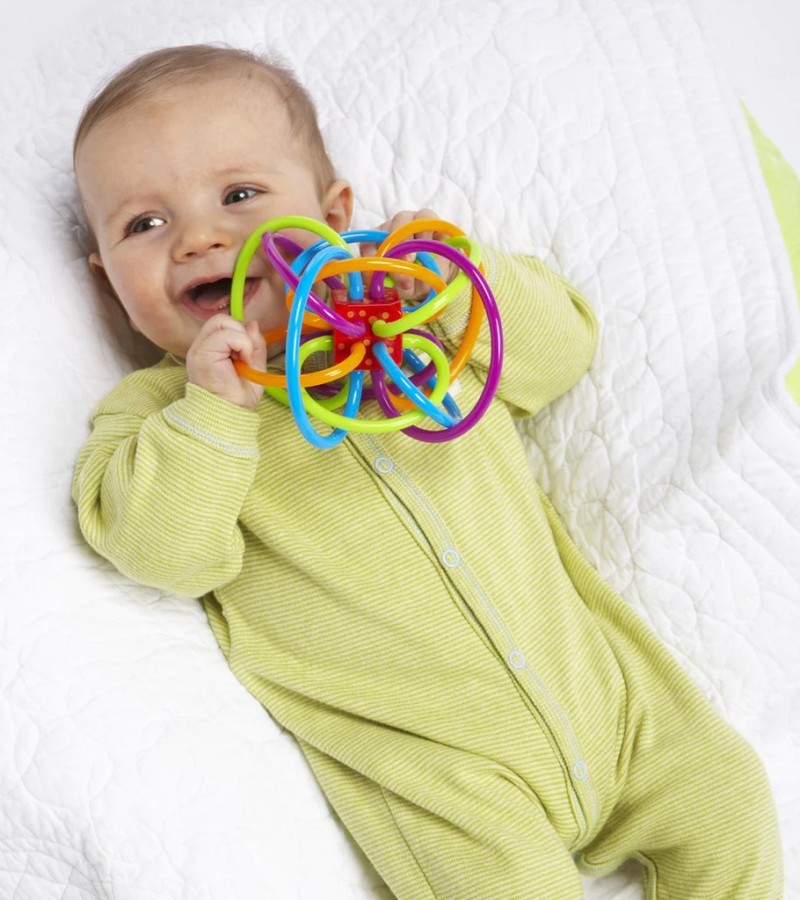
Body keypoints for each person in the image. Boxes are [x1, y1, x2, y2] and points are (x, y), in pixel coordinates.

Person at [71, 43, 783, 898]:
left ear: (334, 215)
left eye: (239, 195)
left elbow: (563, 351)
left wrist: (456, 283)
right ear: (107, 282)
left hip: (616, 708)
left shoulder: (422, 328)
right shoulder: (156, 415)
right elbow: (161, 552)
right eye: (143, 225)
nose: (200, 238)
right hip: (440, 777)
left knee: (728, 796)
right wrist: (214, 413)